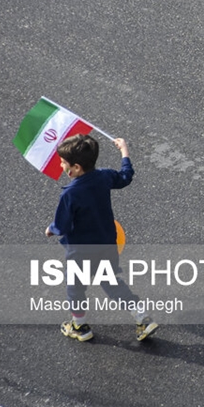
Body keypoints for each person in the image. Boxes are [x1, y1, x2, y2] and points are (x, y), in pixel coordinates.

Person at [45, 134, 159, 342]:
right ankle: (142, 317)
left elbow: (62, 226)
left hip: (80, 252)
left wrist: (50, 229)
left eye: (63, 162)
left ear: (76, 167)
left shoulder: (70, 194)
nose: (61, 165)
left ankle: (80, 326)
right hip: (107, 244)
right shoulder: (104, 177)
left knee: (75, 287)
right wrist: (124, 152)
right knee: (111, 282)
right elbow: (125, 177)